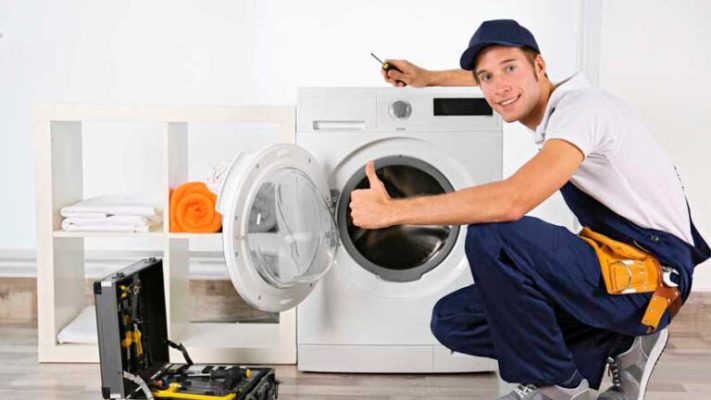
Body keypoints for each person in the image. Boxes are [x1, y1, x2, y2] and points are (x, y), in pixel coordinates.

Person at [349, 19, 710, 400]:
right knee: (454, 320)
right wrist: (429, 78)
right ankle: (617, 343)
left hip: (651, 278)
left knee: (494, 235)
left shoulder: (583, 111)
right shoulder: (558, 106)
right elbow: (501, 81)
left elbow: (511, 201)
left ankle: (557, 386)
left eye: (510, 68)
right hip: (615, 269)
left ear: (540, 66)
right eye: (486, 77)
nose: (499, 87)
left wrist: (392, 211)